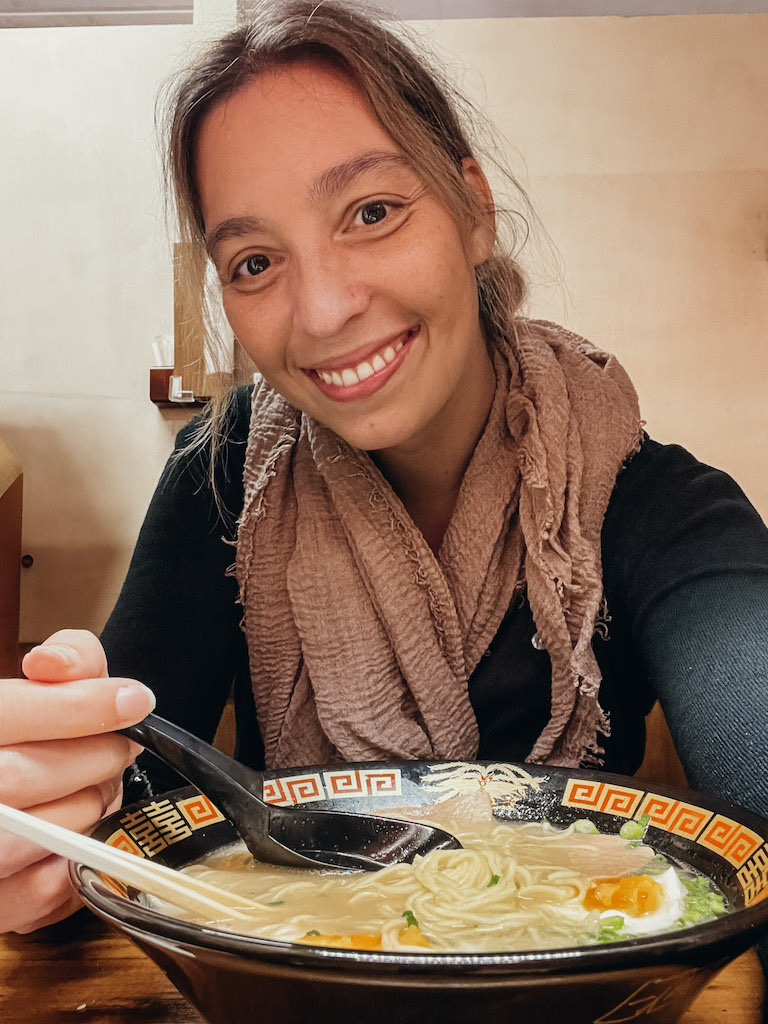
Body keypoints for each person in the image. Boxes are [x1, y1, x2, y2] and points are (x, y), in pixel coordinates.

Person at [1, 0, 766, 942]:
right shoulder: (226, 471)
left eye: (372, 211)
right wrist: (59, 807)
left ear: (474, 209)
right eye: (253, 261)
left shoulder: (644, 502)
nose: (321, 310)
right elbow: (140, 807)